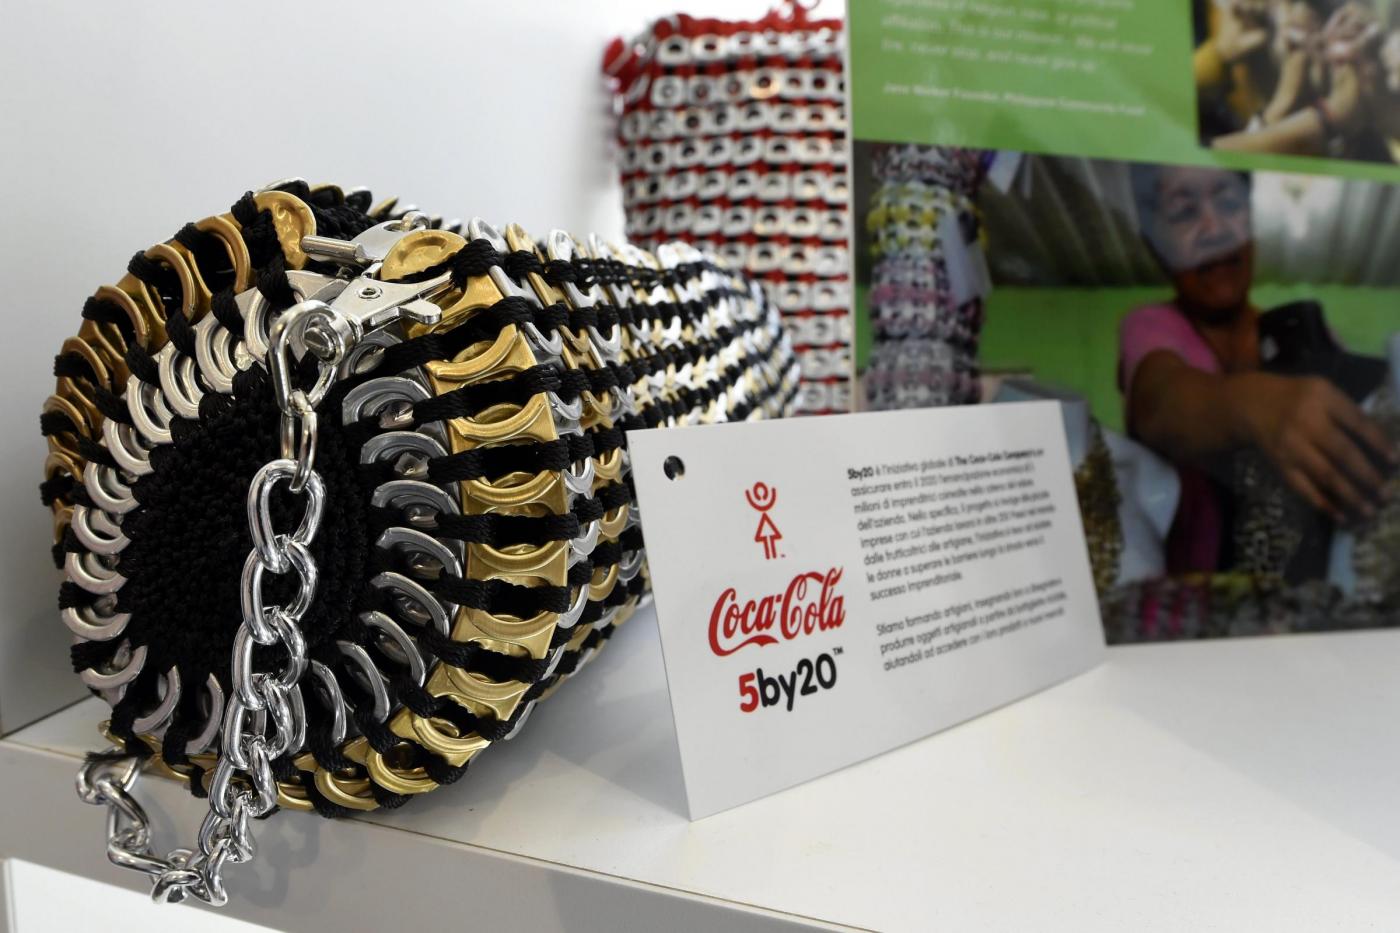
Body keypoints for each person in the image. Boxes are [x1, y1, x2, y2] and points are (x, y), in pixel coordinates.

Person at [1119, 163, 1395, 573]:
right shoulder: (1151, 326)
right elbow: (1158, 402)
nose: (1215, 228)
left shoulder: (1311, 337)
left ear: (1250, 219)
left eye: (1229, 203)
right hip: (1203, 591)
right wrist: (1254, 407)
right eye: (1184, 212)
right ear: (1155, 245)